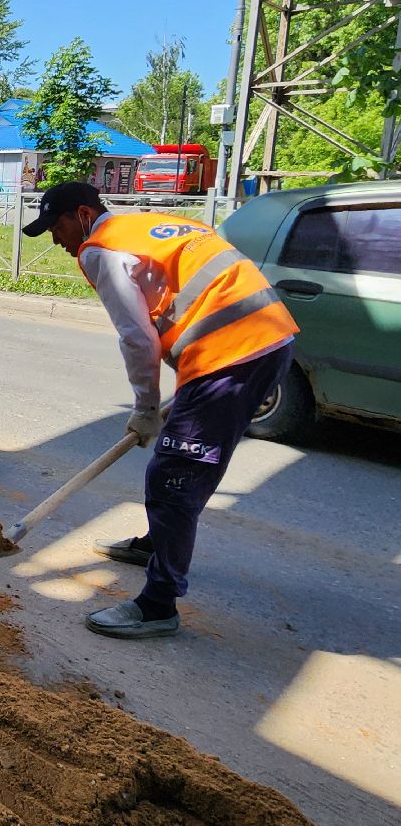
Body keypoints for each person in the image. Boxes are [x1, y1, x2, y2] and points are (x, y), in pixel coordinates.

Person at [23, 182, 297, 640]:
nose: (56, 239)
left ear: (85, 215)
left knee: (173, 477)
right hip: (267, 340)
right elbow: (189, 298)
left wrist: (146, 407)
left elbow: (137, 338)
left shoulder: (102, 249)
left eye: (58, 226)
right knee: (180, 468)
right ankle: (156, 545)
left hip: (231, 356)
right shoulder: (150, 227)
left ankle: (158, 604)